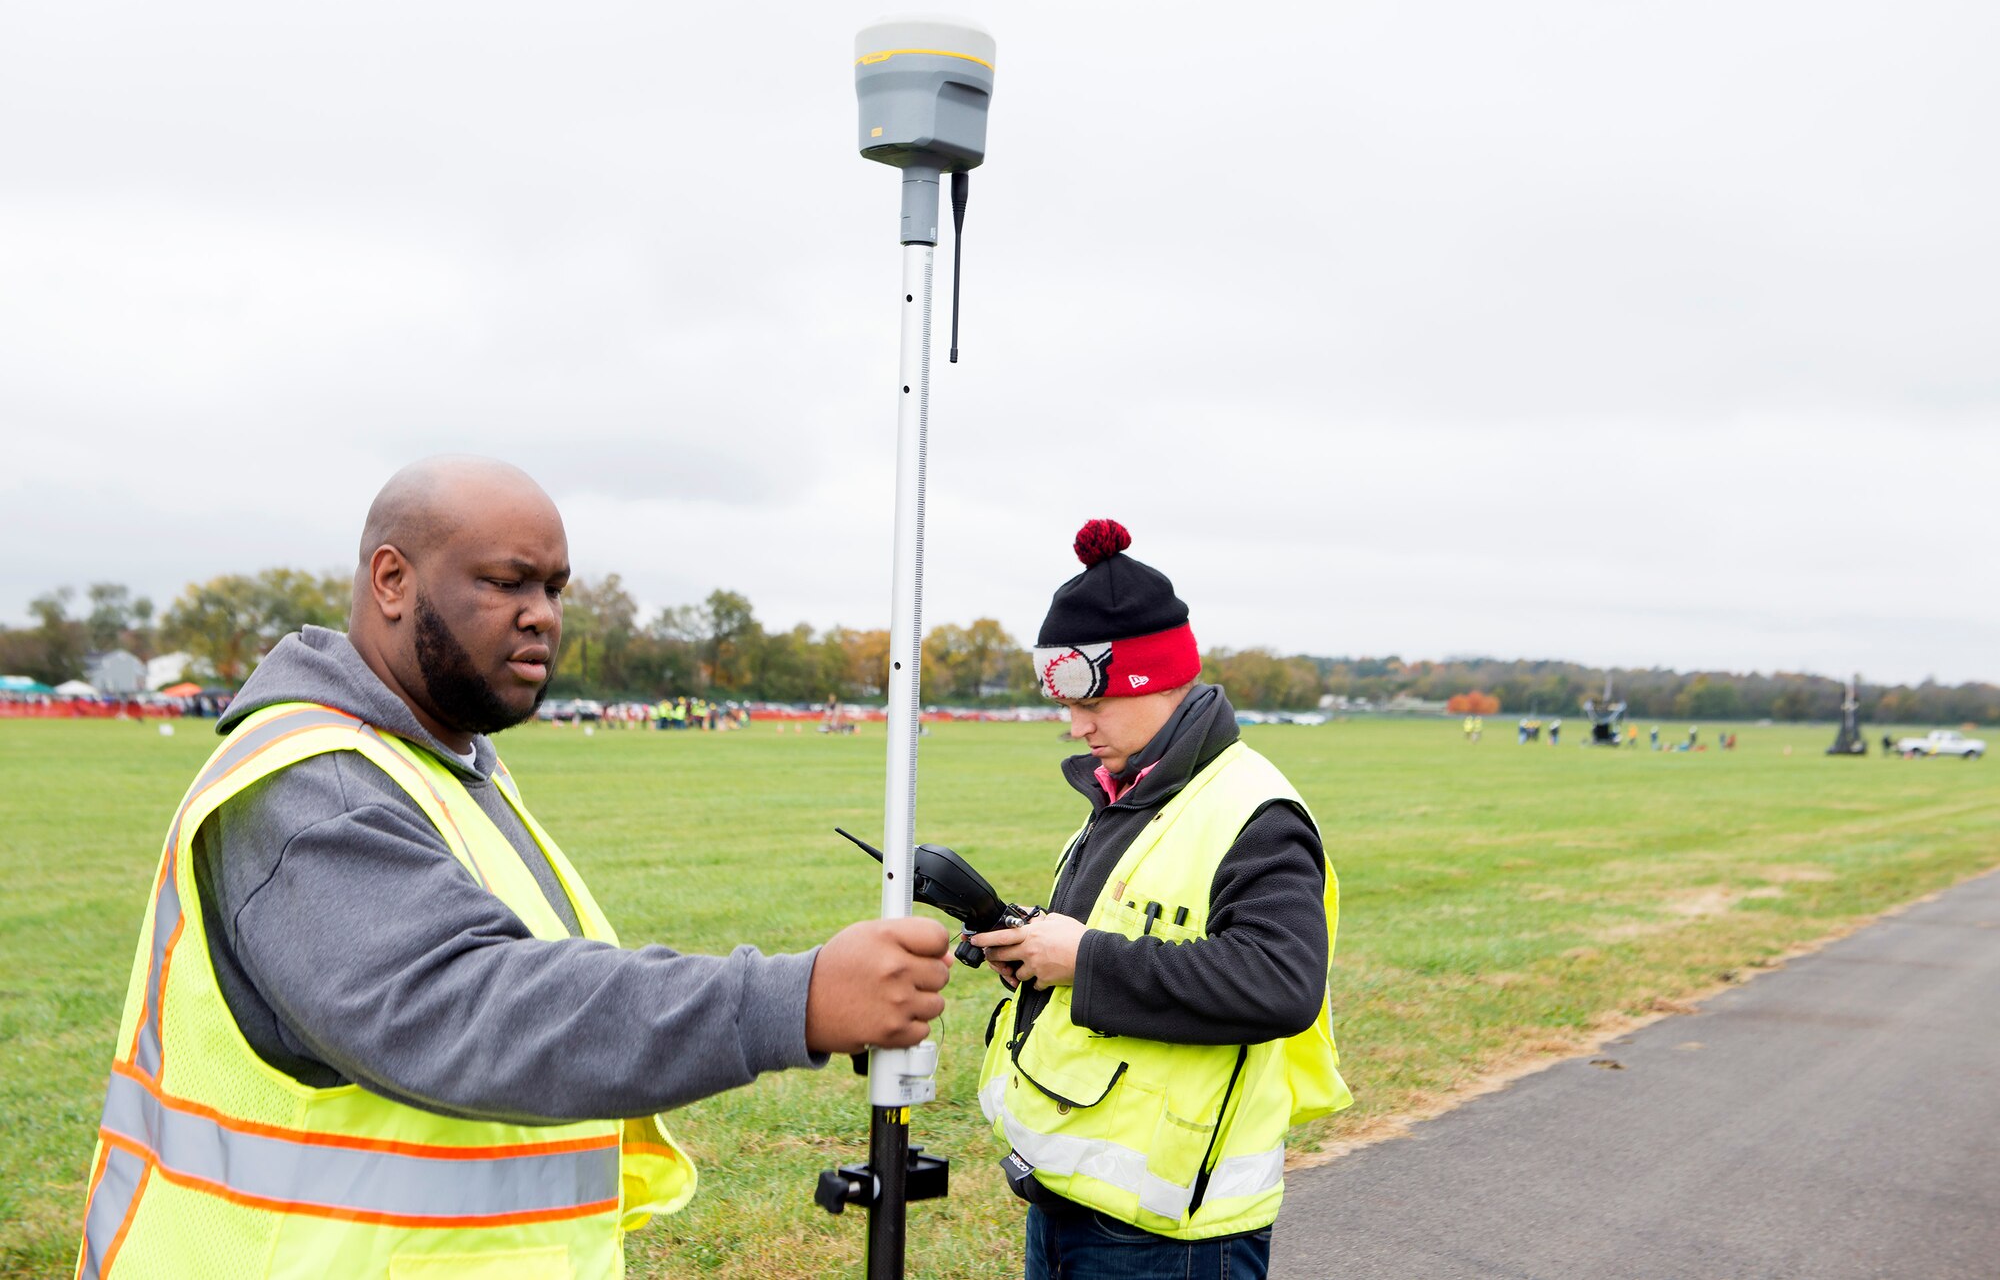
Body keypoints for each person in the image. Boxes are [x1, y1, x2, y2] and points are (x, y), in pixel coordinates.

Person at [74, 457, 950, 1278]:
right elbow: (465, 1007)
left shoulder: (442, 761)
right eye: (505, 582)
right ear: (391, 580)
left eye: (555, 587)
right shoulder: (318, 784)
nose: (543, 613)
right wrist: (789, 1000)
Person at [968, 519, 1349, 1280]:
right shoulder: (1129, 791)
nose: (1076, 726)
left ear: (1156, 683)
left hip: (1177, 1237)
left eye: (1096, 703)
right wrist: (1038, 954)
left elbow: (1280, 983)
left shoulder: (1254, 810)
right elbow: (1109, 943)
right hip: (1070, 1201)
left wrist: (1081, 958)